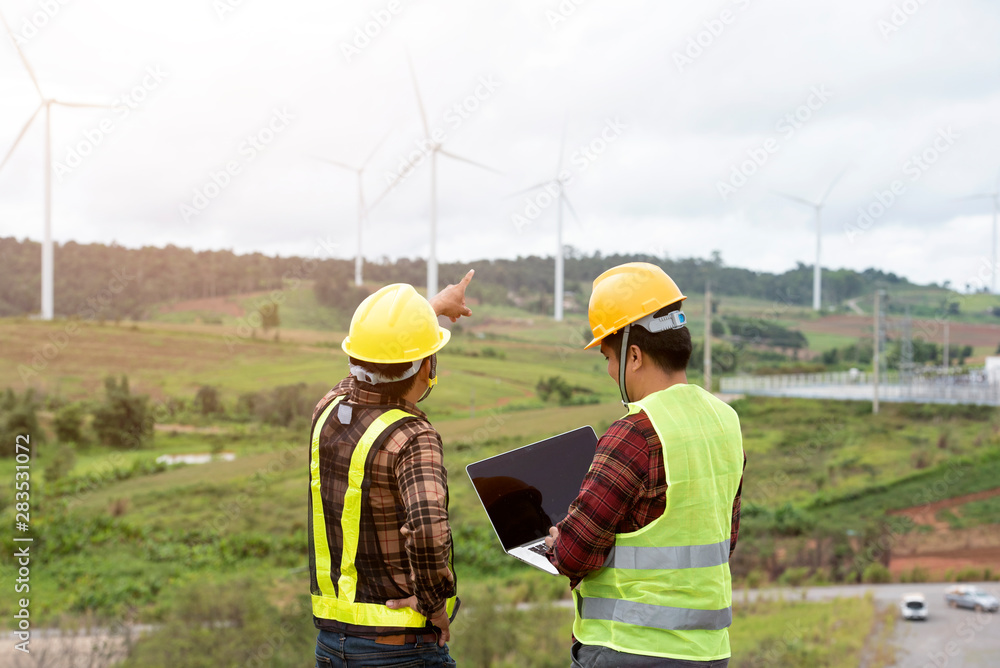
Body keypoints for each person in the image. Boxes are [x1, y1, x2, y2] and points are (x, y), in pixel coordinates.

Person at [545, 262, 746, 668]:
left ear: (633, 355)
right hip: (709, 654)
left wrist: (553, 542)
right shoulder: (727, 421)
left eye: (607, 357)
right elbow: (724, 539)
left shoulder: (634, 433)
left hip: (628, 650)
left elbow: (573, 555)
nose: (608, 371)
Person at [309, 270, 474, 668]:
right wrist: (434, 604)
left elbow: (372, 361)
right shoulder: (413, 437)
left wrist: (427, 311)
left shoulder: (328, 408)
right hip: (402, 649)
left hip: (331, 646)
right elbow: (429, 532)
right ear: (426, 367)